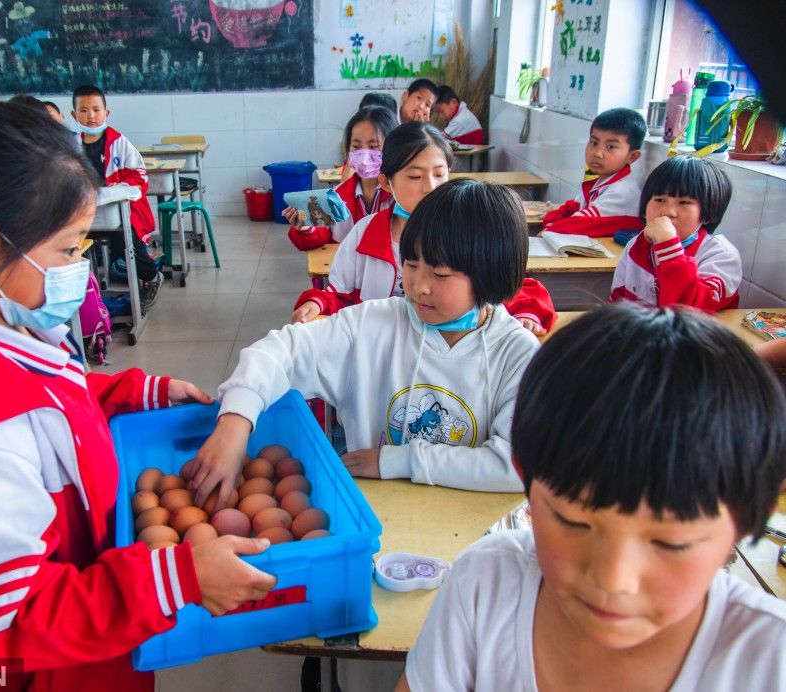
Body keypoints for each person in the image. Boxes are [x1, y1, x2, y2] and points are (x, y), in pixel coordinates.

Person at [0, 87, 276, 691]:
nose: (80, 268)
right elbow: (12, 617)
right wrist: (174, 579)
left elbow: (54, 401)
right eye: (68, 249)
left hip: (94, 647)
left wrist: (136, 390)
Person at [399, 304, 786, 691]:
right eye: (573, 522)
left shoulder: (770, 660)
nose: (613, 579)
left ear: (749, 517)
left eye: (671, 543)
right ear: (525, 477)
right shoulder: (484, 586)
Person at [186, 179, 542, 508]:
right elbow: (283, 350)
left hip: (466, 532)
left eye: (440, 274)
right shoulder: (373, 324)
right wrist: (236, 419)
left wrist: (397, 460)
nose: (419, 285)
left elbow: (515, 465)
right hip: (374, 517)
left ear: (491, 274)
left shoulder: (517, 354)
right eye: (411, 264)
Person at [292, 122, 556, 335]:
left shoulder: (466, 228)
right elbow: (340, 294)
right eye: (415, 176)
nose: (430, 186)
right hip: (384, 354)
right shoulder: (365, 233)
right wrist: (317, 303)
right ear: (386, 182)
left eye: (439, 174)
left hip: (452, 355)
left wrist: (527, 315)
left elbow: (509, 285)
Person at [71, 85, 163, 308]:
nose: (91, 116)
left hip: (120, 213)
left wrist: (115, 191)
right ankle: (89, 298)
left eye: (96, 109)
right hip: (86, 213)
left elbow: (140, 176)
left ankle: (151, 276)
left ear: (106, 113)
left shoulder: (119, 143)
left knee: (127, 241)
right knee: (72, 244)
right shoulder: (71, 145)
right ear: (74, 115)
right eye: (83, 110)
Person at [609, 155, 741, 312]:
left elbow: (688, 312)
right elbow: (617, 302)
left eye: (684, 202)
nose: (667, 212)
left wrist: (668, 247)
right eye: (659, 200)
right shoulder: (635, 245)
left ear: (706, 213)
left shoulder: (720, 255)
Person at [285, 106, 398, 251]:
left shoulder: (400, 197)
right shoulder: (337, 195)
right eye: (356, 146)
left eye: (374, 146)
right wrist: (306, 228)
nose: (364, 156)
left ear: (392, 148)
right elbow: (319, 238)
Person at [542, 107, 647, 237]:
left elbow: (577, 224)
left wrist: (551, 228)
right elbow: (569, 208)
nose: (597, 153)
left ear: (632, 157)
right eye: (594, 142)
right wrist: (550, 224)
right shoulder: (600, 181)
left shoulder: (622, 193)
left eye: (610, 147)